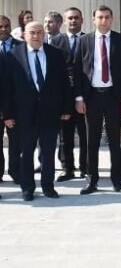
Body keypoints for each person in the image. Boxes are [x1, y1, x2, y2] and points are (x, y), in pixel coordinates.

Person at [3, 21, 71, 200]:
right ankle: (27, 188)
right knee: (26, 152)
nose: (36, 36)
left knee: (48, 152)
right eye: (32, 32)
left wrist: (66, 107)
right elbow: (7, 88)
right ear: (24, 35)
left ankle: (48, 186)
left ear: (44, 34)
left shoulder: (55, 54)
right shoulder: (12, 55)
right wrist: (7, 115)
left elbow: (64, 83)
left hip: (50, 112)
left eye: (40, 32)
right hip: (23, 114)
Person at [73, 6, 121, 195]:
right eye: (100, 17)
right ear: (94, 19)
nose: (104, 20)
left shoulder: (120, 40)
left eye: (107, 17)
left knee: (115, 140)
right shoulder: (84, 40)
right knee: (91, 141)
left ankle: (116, 180)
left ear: (112, 19)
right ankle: (92, 180)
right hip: (92, 97)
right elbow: (77, 70)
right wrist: (79, 98)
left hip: (113, 96)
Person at [49, 7, 88, 182]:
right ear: (64, 21)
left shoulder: (89, 39)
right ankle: (67, 168)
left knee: (85, 133)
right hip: (63, 95)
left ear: (82, 20)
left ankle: (86, 167)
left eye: (76, 18)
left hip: (85, 94)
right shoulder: (56, 41)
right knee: (65, 135)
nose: (73, 21)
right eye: (70, 18)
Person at [0, 15, 23, 183]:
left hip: (15, 104)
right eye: (0, 26)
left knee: (16, 142)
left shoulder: (21, 47)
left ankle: (15, 171)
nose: (3, 29)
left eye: (6, 26)